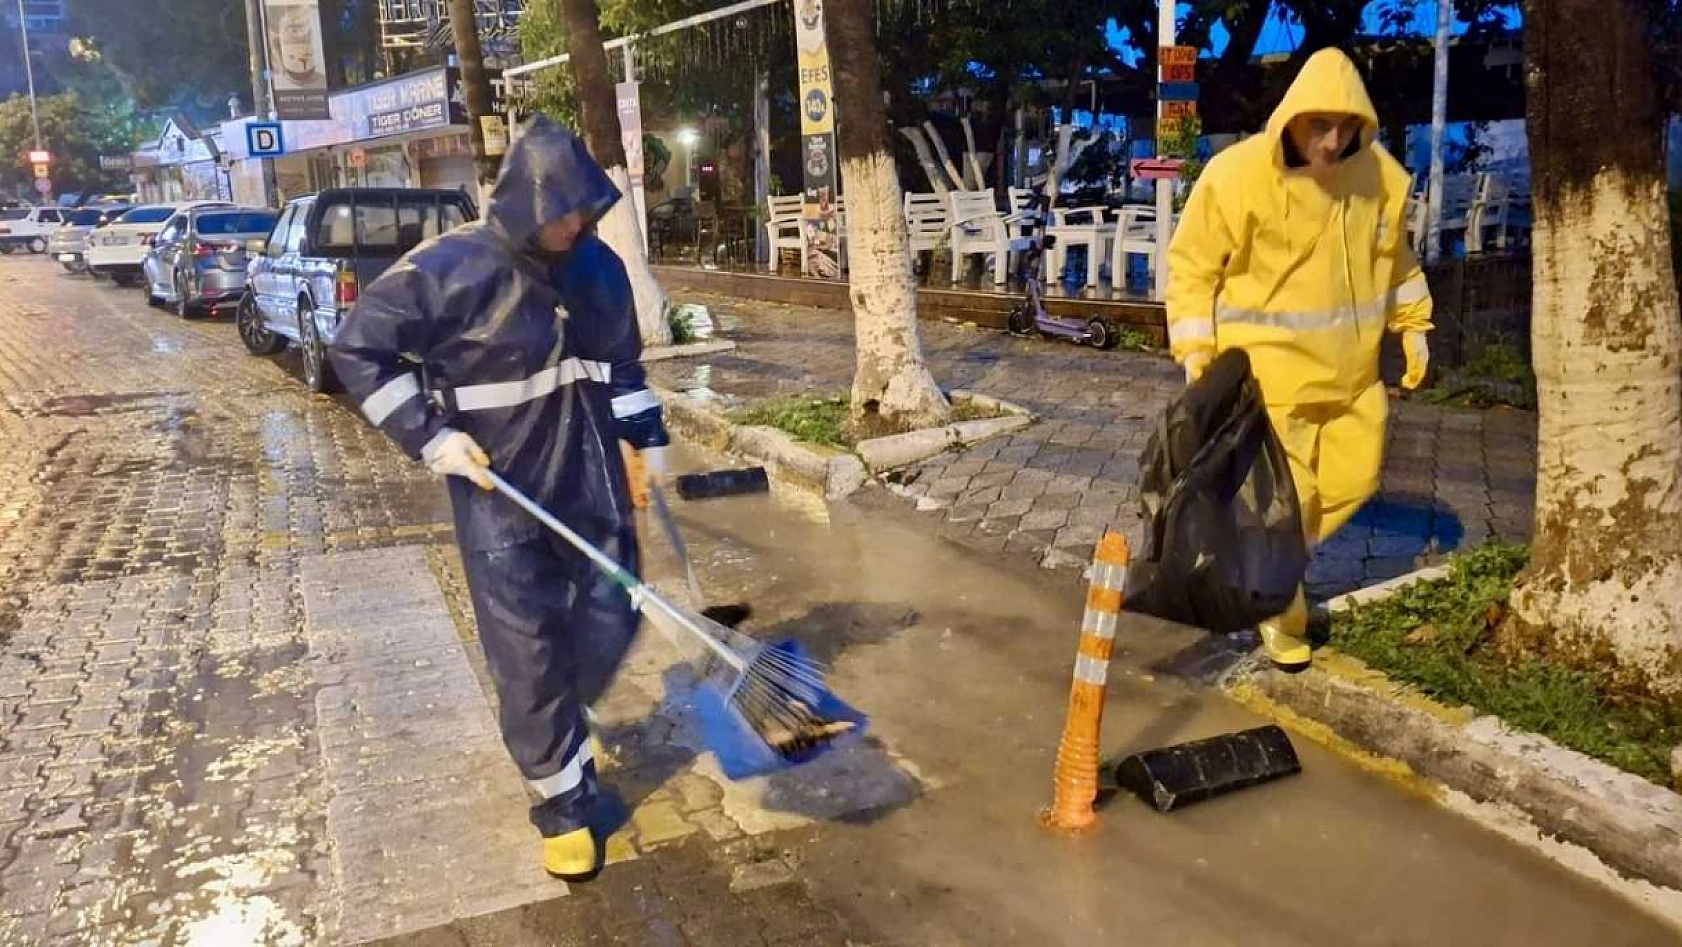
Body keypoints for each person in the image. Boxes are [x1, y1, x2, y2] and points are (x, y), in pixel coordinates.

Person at [328, 116, 669, 881]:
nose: (572, 225)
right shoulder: (443, 270)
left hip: (589, 478)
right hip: (501, 490)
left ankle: (559, 723)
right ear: (520, 202)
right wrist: (429, 435)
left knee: (616, 609)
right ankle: (562, 804)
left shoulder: (598, 269)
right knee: (527, 647)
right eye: (558, 213)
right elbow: (357, 348)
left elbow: (621, 365)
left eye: (582, 210)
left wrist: (646, 433)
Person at [1165, 48, 1434, 672]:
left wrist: (1414, 328)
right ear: (1290, 117)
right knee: (1293, 496)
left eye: (1345, 127)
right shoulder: (1236, 178)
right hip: (1270, 377)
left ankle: (1263, 561)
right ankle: (1280, 607)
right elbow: (1192, 266)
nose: (1333, 141)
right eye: (1319, 124)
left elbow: (1398, 263)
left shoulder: (1383, 179)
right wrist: (1197, 349)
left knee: (1355, 481)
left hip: (1353, 378)